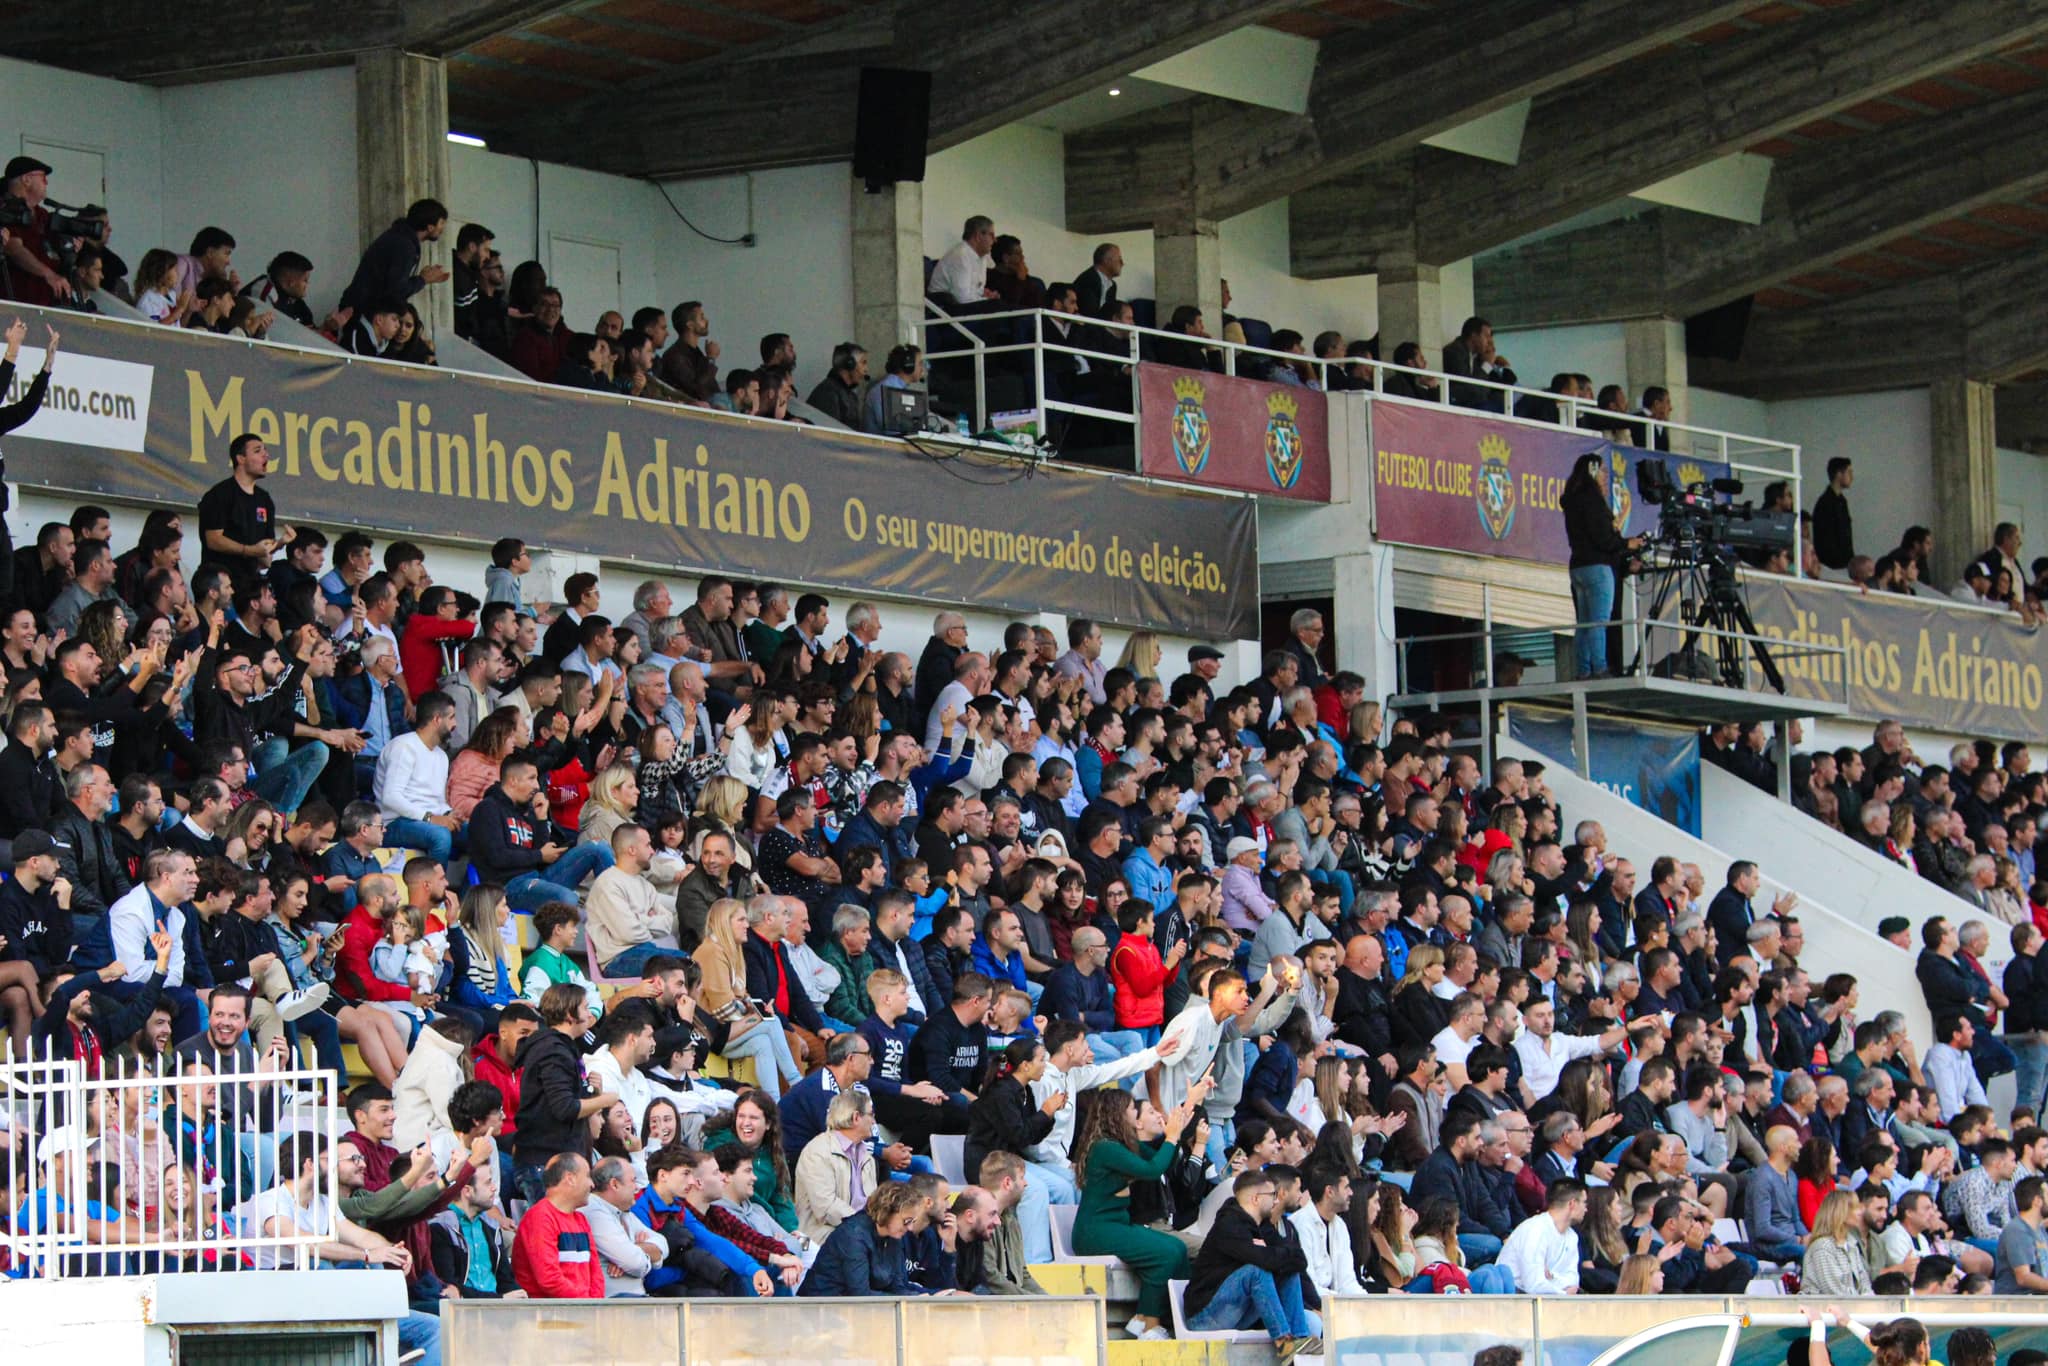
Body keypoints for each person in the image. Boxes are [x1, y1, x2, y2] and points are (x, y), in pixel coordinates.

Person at [1071, 1085, 1209, 1341]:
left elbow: (1162, 1157)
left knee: (1176, 1249)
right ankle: (1148, 1323)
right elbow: (1152, 1170)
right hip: (1096, 1230)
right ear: (1117, 1113)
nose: (1136, 1112)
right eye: (1132, 1108)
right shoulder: (1105, 1148)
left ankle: (1157, 1318)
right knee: (1166, 1253)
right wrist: (1171, 1136)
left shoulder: (1122, 1144)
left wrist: (1188, 1106)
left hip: (1116, 1225)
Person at [1183, 1168, 1320, 1357]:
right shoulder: (1228, 1226)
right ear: (1256, 1199)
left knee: (1288, 1271)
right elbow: (1263, 1262)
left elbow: (1299, 1259)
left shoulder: (1262, 1226)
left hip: (1237, 1312)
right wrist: (1267, 1253)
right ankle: (1284, 1344)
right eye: (1272, 1195)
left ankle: (1299, 1339)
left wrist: (1266, 1251)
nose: (1276, 1200)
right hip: (1205, 1316)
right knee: (1256, 1271)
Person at [1561, 452, 1642, 679]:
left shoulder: (1572, 500)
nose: (1606, 476)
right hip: (1598, 568)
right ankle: (1599, 668)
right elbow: (1603, 539)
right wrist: (1628, 543)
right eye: (1603, 471)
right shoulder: (1592, 500)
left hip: (1577, 568)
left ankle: (1583, 671)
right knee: (1599, 622)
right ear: (1592, 471)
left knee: (1584, 624)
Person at [512, 1152, 605, 1298]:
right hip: (548, 1315)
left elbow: (596, 1273)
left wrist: (594, 1306)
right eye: (587, 1176)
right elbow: (549, 1279)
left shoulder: (581, 1219)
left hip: (582, 1312)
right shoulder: (540, 1217)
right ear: (570, 1179)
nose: (592, 1184)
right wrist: (587, 1305)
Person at [1497, 1178, 1587, 1294]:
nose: (1586, 1209)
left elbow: (1573, 1281)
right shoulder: (1535, 1230)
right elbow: (1534, 1285)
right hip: (1515, 1298)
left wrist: (1552, 1276)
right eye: (1584, 1202)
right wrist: (1564, 1293)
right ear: (1572, 1204)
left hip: (1551, 1300)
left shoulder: (1572, 1236)